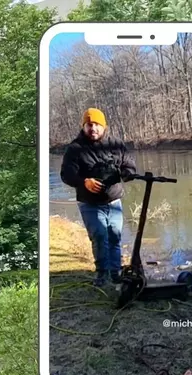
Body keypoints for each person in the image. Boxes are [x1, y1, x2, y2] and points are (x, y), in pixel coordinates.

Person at [60, 108, 137, 285]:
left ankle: (116, 272)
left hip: (114, 200)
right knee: (100, 236)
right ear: (84, 126)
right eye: (89, 124)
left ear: (104, 126)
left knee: (115, 236)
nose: (92, 128)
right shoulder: (75, 149)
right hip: (89, 203)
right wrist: (84, 181)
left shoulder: (116, 144)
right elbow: (66, 175)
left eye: (96, 124)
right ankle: (102, 274)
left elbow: (129, 165)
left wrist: (127, 173)